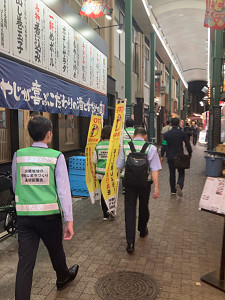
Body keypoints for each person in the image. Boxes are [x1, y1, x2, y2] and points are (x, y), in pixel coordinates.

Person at [12, 116, 79, 300]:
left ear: (30, 134)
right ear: (49, 134)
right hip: (49, 218)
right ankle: (62, 277)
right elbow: (64, 191)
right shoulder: (56, 156)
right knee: (56, 250)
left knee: (25, 264)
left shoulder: (19, 155)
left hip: (25, 218)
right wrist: (69, 220)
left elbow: (15, 185)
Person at [117, 127, 161, 253]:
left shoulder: (126, 146)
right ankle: (142, 230)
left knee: (129, 210)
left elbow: (119, 165)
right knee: (143, 206)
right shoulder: (151, 148)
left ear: (134, 135)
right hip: (145, 183)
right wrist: (156, 187)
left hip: (129, 183)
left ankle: (130, 243)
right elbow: (154, 169)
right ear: (145, 136)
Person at [161, 118, 192, 197]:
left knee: (172, 173)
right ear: (178, 124)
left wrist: (162, 155)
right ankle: (179, 185)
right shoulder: (182, 133)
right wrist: (189, 153)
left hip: (170, 156)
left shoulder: (166, 134)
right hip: (180, 156)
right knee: (181, 172)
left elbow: (164, 145)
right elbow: (187, 144)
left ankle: (173, 191)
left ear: (171, 124)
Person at [93, 125, 114, 220]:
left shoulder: (98, 146)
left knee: (103, 193)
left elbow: (94, 160)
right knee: (111, 192)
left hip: (100, 174)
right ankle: (111, 210)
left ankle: (105, 215)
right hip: (111, 173)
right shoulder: (114, 145)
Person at [121, 118, 135, 194]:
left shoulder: (122, 132)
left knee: (124, 169)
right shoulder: (136, 132)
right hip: (134, 151)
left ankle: (124, 187)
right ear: (133, 125)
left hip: (124, 152)